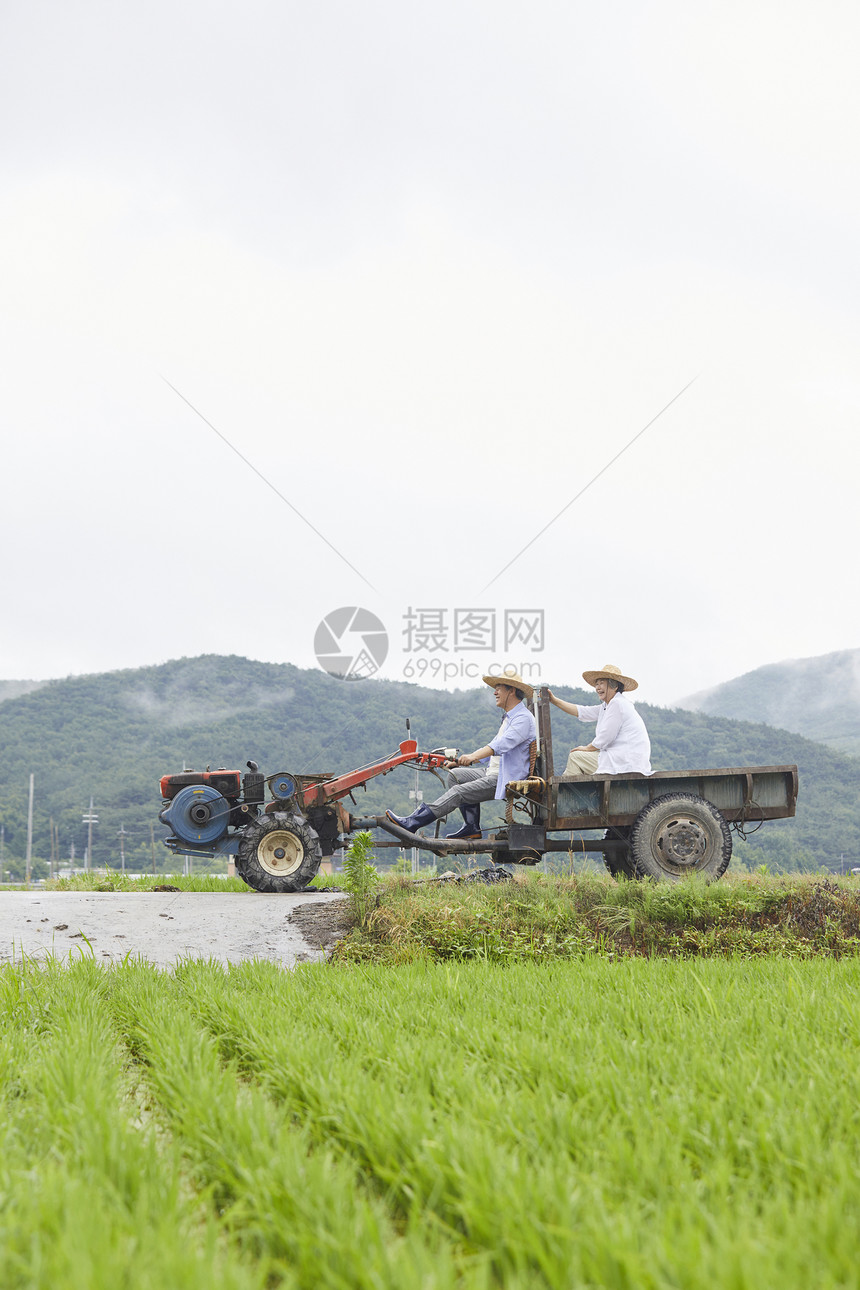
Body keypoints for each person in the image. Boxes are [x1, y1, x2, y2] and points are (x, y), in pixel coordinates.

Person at [386, 670, 537, 839]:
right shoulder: (509, 718)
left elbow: (499, 746)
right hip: (493, 771)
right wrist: (460, 762)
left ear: (511, 691)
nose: (494, 692)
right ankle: (471, 827)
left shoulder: (523, 718)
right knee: (455, 775)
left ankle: (413, 821)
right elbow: (492, 751)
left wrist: (472, 757)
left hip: (506, 777)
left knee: (459, 792)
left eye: (499, 688)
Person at [546, 663, 651, 776]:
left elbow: (606, 737)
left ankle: (564, 792)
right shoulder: (608, 706)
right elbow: (581, 711)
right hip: (623, 759)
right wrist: (554, 701)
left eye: (602, 683)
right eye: (597, 684)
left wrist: (586, 748)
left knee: (576, 757)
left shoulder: (617, 704)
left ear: (614, 686)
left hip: (625, 762)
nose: (598, 688)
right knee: (578, 758)